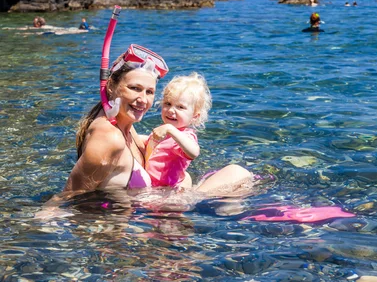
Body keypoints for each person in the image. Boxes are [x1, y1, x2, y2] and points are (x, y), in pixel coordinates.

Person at [64, 45, 252, 196]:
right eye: (135, 88)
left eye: (150, 92)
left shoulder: (124, 124)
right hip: (144, 222)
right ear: (111, 86)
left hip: (153, 206)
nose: (143, 100)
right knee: (239, 177)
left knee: (232, 176)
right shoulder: (109, 137)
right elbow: (70, 195)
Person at [144, 73, 210, 189]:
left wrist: (171, 130)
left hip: (166, 190)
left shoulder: (184, 135)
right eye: (168, 104)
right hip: (152, 185)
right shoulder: (163, 130)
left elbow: (194, 152)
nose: (170, 110)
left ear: (195, 116)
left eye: (180, 107)